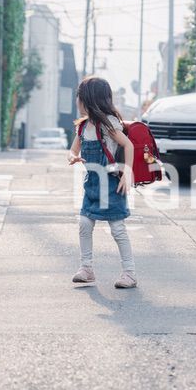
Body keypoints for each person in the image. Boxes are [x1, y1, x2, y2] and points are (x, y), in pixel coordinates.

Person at [67, 77, 137, 289]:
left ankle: (130, 273)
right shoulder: (82, 127)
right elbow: (73, 150)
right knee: (84, 224)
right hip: (92, 184)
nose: (77, 101)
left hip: (112, 184)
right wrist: (73, 157)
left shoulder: (108, 124)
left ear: (89, 99)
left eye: (79, 97)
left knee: (117, 229)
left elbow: (129, 145)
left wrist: (127, 172)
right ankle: (86, 269)